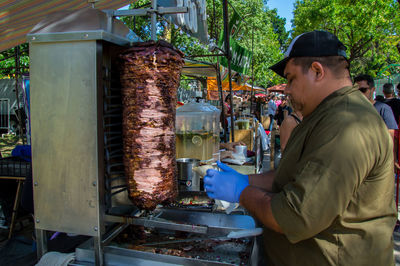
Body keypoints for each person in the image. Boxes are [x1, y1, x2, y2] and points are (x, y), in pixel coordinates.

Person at [204, 30, 396, 265]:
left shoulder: (346, 122)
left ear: (317, 71)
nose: (286, 89)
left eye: (291, 78)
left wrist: (241, 193)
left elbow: (295, 216)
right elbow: (293, 173)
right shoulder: (323, 114)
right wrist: (248, 181)